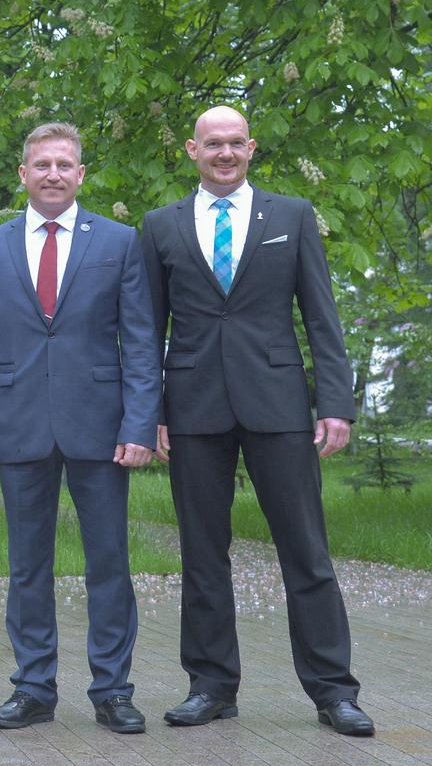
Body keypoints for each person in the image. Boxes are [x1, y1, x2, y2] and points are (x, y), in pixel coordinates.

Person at [140, 106, 372, 736]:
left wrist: (336, 403)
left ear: (252, 148)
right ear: (192, 149)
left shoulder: (291, 216)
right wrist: (149, 413)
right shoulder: (160, 226)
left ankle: (333, 691)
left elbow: (321, 316)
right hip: (191, 407)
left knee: (306, 550)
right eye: (213, 144)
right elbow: (146, 329)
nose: (224, 153)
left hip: (277, 404)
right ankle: (211, 685)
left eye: (235, 143)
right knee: (201, 554)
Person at [0, 123, 160, 734]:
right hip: (18, 426)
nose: (52, 173)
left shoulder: (120, 242)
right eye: (41, 164)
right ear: (22, 174)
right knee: (26, 567)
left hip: (101, 428)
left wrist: (140, 423)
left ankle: (113, 690)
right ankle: (34, 687)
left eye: (64, 164)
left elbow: (143, 340)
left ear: (80, 175)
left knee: (109, 563)